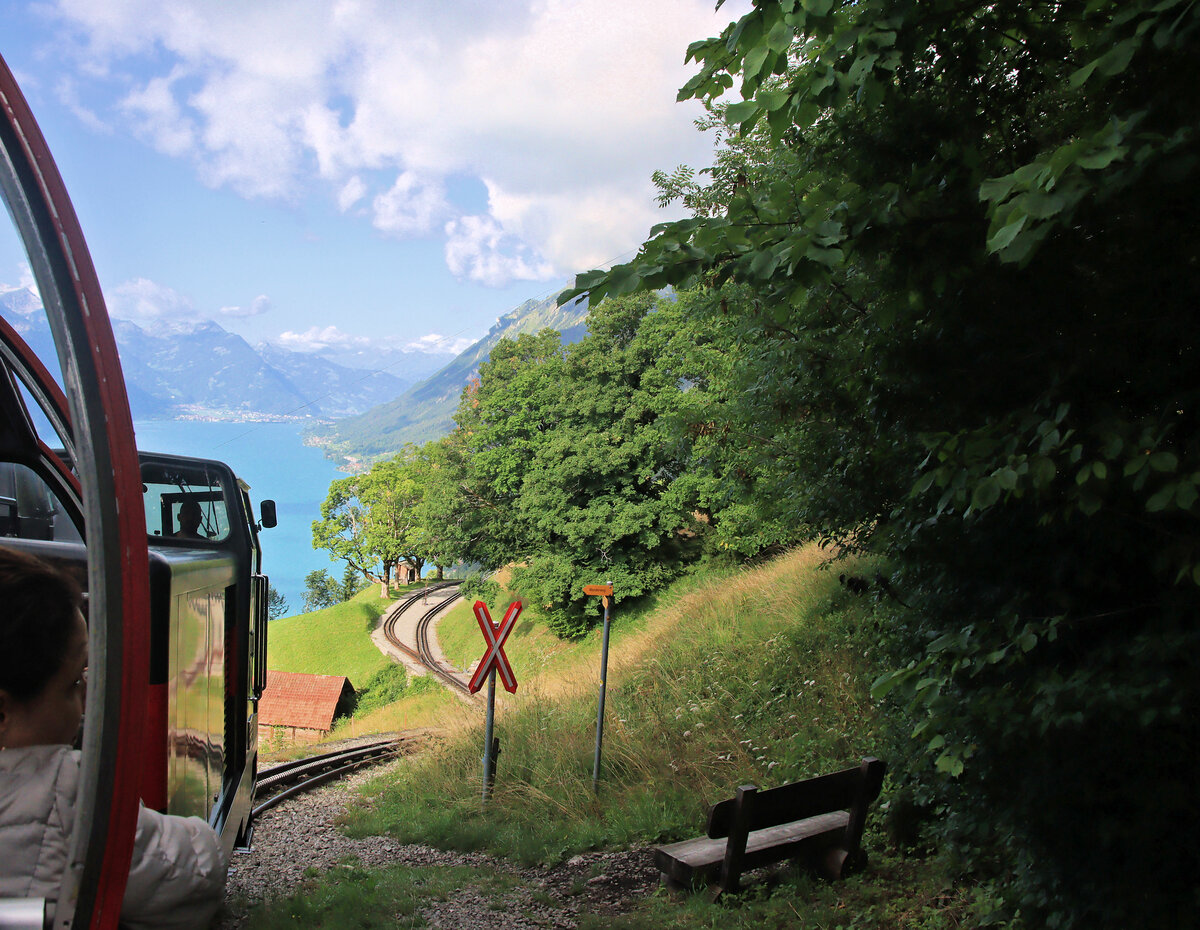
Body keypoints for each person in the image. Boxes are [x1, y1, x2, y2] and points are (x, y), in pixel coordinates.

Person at [0, 546, 227, 929]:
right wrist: (206, 837)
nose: (85, 696)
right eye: (73, 682)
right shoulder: (69, 790)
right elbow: (194, 872)